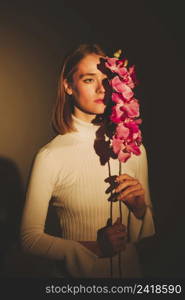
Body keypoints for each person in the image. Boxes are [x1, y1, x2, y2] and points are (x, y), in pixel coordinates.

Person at [20, 44, 155, 278]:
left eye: (107, 79)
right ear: (68, 85)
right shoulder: (51, 156)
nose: (102, 89)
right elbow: (29, 239)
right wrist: (94, 248)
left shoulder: (132, 146)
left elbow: (144, 234)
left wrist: (140, 209)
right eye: (89, 80)